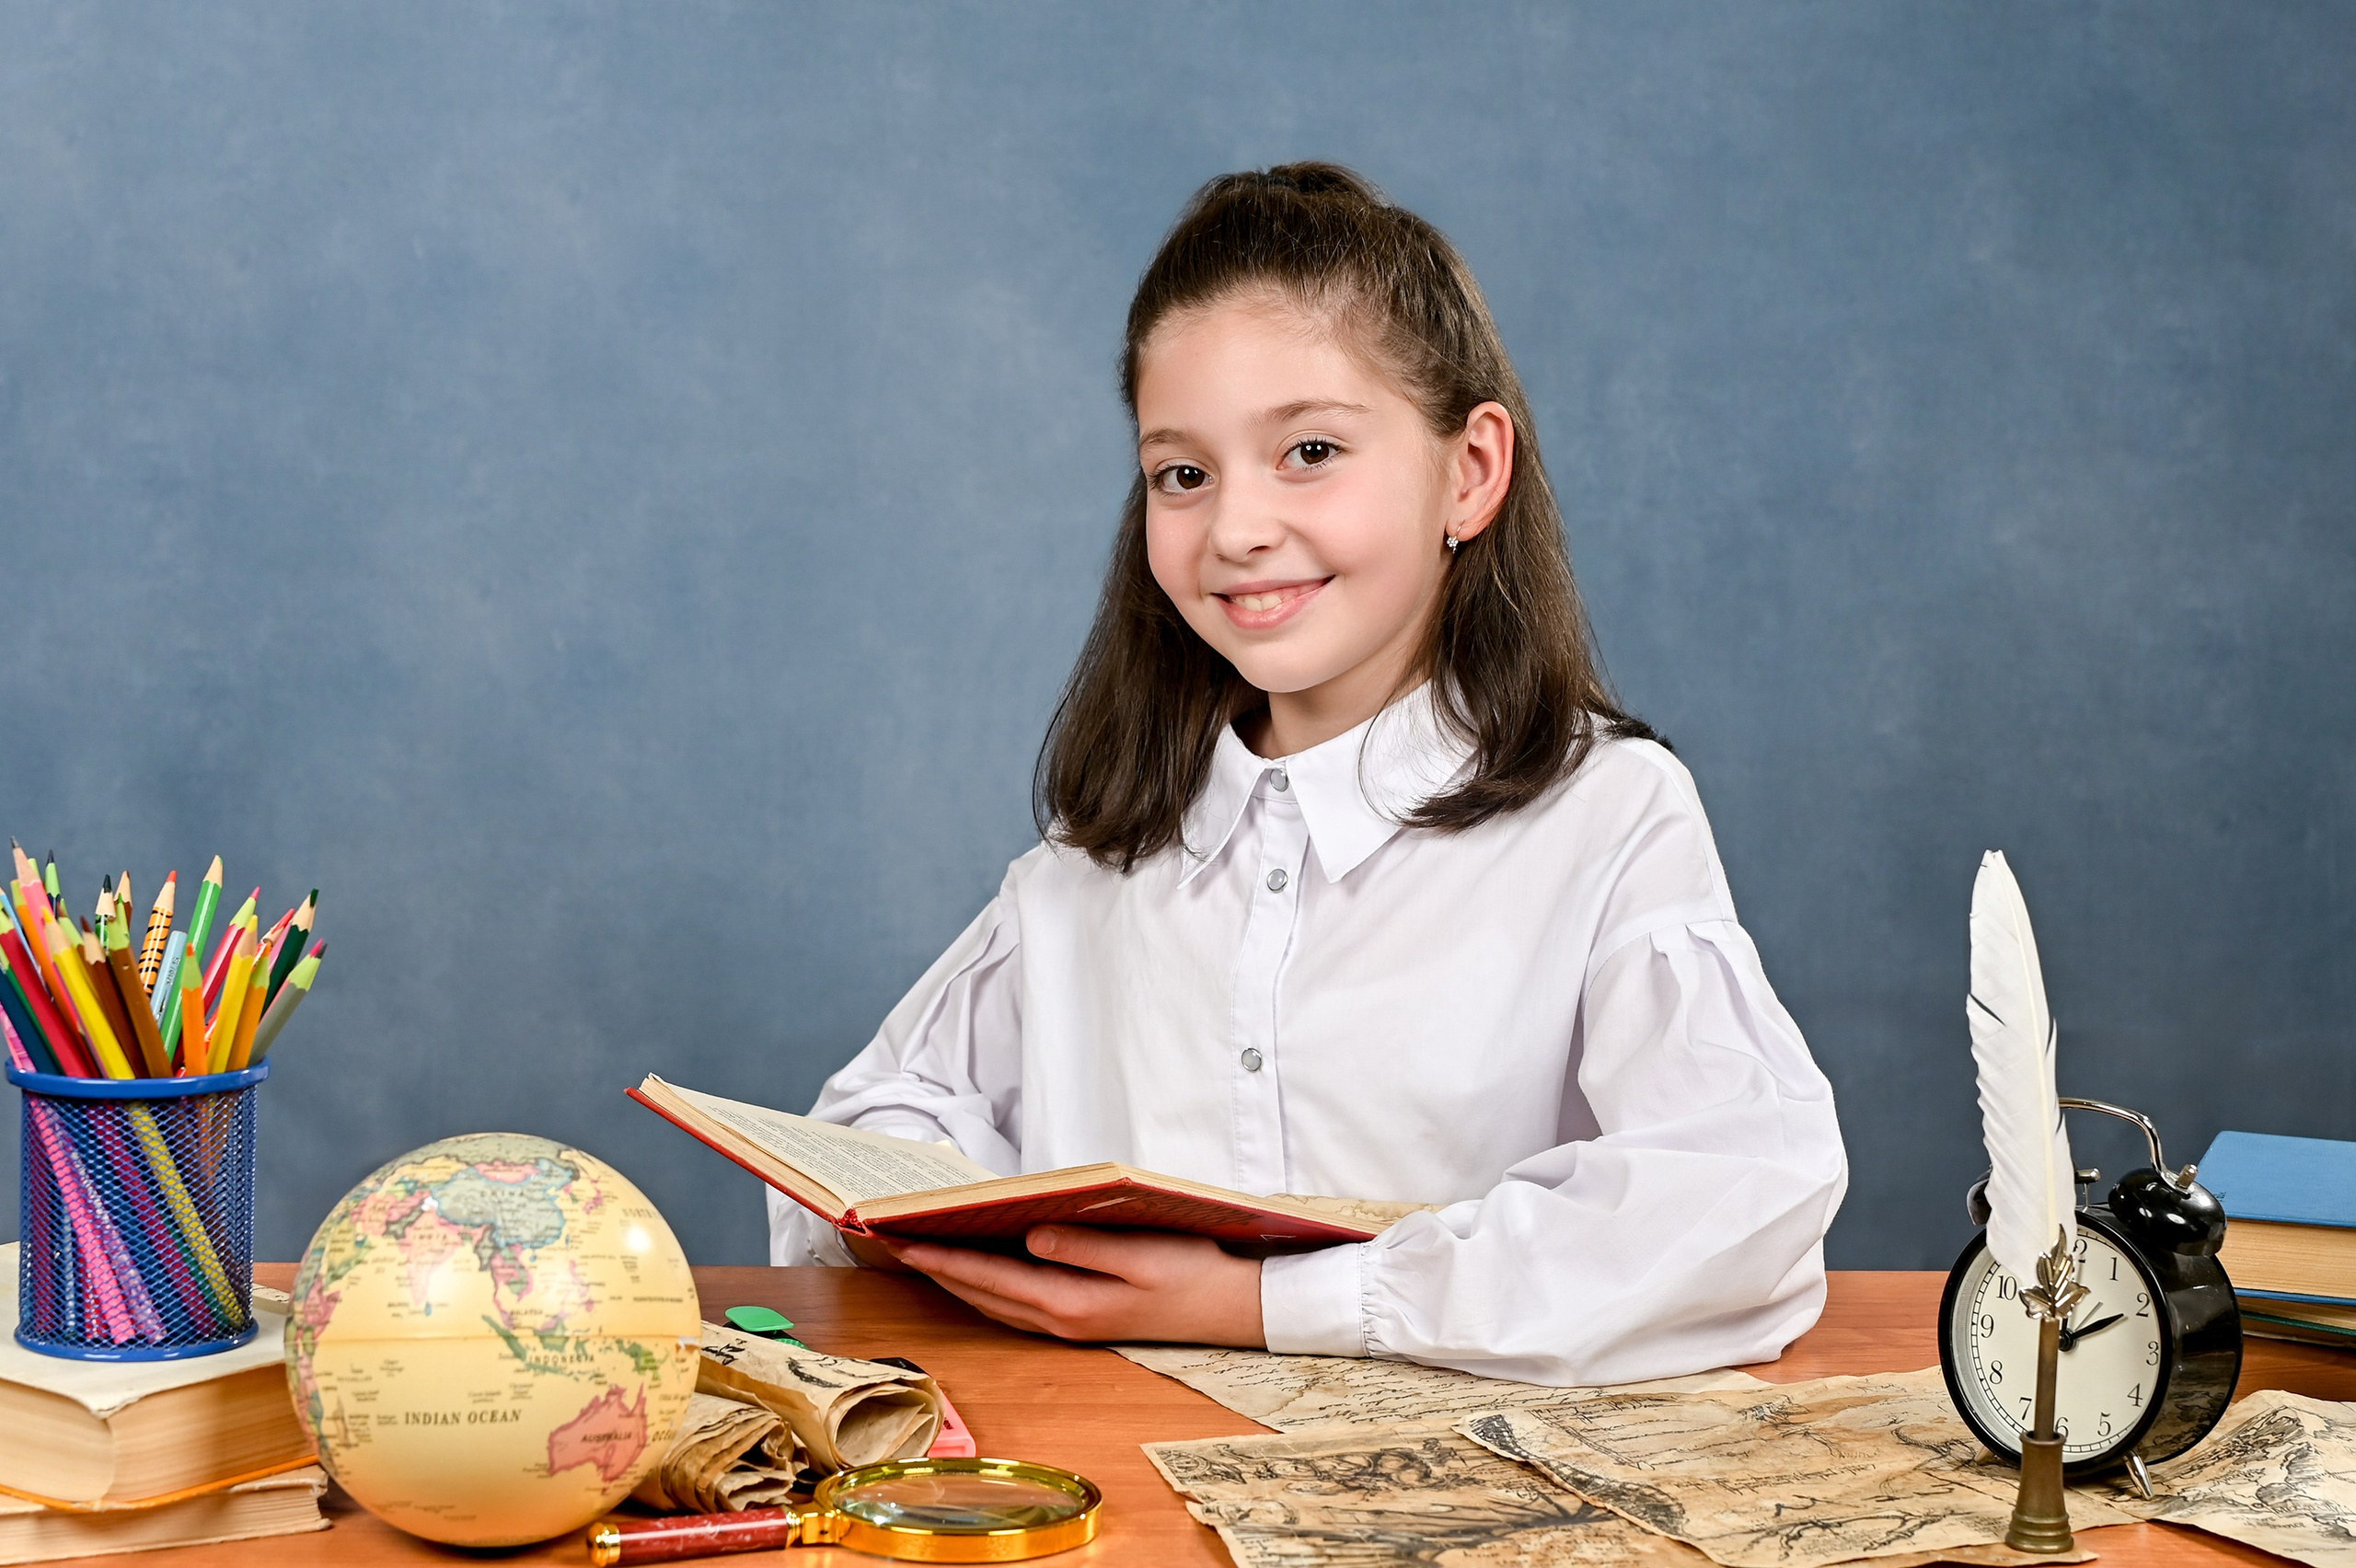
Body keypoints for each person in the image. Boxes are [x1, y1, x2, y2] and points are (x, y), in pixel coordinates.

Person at [769, 163, 1847, 1386]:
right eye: (1183, 474)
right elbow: (874, 1123)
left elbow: (1739, 1208)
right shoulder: (1101, 855)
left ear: (1469, 473)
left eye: (1310, 450)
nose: (1234, 528)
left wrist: (1269, 1304)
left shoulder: (1606, 815)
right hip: (1122, 1475)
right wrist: (965, 1222)